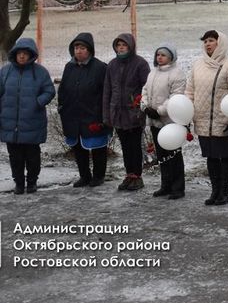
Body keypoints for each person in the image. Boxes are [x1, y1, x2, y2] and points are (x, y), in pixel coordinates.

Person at [185, 30, 228, 206]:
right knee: (210, 156)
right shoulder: (197, 65)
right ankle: (214, 191)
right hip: (202, 119)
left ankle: (225, 192)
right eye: (205, 41)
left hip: (223, 119)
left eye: (211, 40)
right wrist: (186, 113)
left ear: (220, 43)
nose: (208, 44)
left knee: (224, 156)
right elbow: (189, 91)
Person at [0, 38, 55, 194]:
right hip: (10, 123)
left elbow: (49, 91)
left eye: (25, 53)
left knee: (32, 156)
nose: (22, 56)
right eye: (19, 53)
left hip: (32, 122)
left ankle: (32, 182)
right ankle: (18, 183)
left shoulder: (40, 72)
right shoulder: (5, 71)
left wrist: (38, 102)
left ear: (31, 55)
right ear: (15, 54)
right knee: (15, 157)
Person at [57, 33, 109, 188]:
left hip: (93, 114)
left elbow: (105, 93)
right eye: (76, 47)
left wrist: (103, 116)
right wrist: (62, 108)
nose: (78, 51)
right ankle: (84, 176)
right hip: (73, 115)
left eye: (82, 48)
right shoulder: (69, 67)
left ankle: (98, 176)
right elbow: (63, 90)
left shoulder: (100, 67)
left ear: (90, 50)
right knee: (78, 148)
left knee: (98, 147)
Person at [103, 33, 150, 191]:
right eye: (118, 45)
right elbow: (107, 90)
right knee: (125, 146)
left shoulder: (140, 64)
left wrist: (140, 106)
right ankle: (129, 175)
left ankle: (137, 175)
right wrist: (107, 113)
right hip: (117, 112)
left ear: (131, 46)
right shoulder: (112, 65)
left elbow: (146, 88)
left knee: (135, 145)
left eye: (124, 45)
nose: (121, 48)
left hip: (134, 112)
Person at [141, 44, 187, 199]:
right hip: (155, 121)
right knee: (161, 155)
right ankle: (165, 185)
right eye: (158, 54)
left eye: (163, 55)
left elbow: (175, 96)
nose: (159, 57)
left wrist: (159, 111)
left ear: (171, 57)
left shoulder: (177, 74)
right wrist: (145, 106)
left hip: (170, 122)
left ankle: (178, 187)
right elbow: (145, 90)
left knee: (173, 155)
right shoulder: (153, 73)